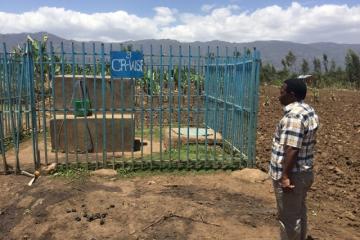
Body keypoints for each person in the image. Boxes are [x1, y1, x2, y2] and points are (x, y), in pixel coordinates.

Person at [269, 78, 319, 240]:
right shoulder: (308, 110)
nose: (279, 95)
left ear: (291, 94)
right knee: (299, 212)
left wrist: (285, 176)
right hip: (304, 172)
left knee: (289, 219)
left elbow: (292, 148)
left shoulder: (294, 117)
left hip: (293, 176)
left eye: (282, 91)